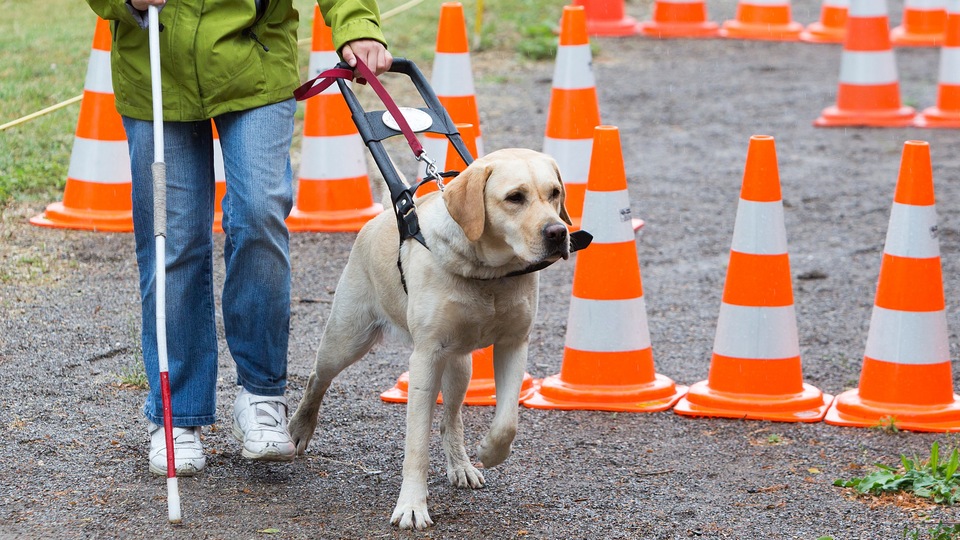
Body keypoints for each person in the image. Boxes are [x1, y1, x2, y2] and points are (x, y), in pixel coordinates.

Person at [84, 0, 392, 475]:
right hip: (154, 73)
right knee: (174, 239)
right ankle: (177, 415)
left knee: (259, 214)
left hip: (256, 63)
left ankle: (262, 396)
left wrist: (356, 24)